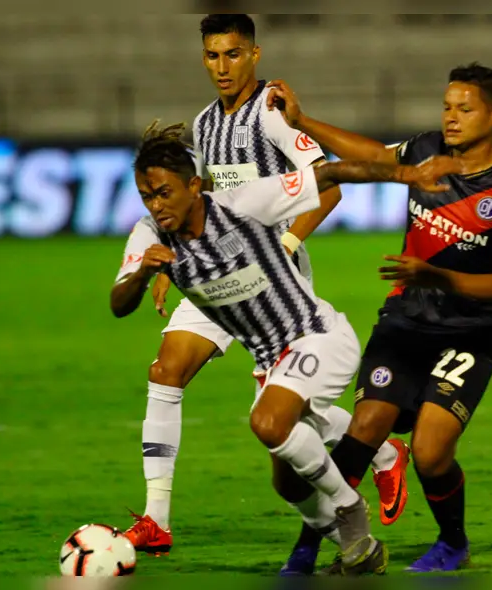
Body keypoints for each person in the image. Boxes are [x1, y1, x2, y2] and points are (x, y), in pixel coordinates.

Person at [116, 14, 409, 567]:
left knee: (279, 418)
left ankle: (382, 450)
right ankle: (157, 519)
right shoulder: (204, 125)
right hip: (212, 274)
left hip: (271, 280)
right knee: (166, 369)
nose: (221, 67)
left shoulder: (270, 115)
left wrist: (291, 244)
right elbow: (193, 202)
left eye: (232, 54)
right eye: (212, 56)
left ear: (254, 54)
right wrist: (163, 265)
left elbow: (327, 186)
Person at [113, 121, 462, 573]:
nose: (155, 206)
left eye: (163, 193)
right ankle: (359, 550)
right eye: (146, 196)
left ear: (194, 186)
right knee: (289, 485)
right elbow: (119, 303)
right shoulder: (149, 234)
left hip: (318, 335)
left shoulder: (244, 203)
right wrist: (142, 273)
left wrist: (404, 176)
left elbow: (329, 176)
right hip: (271, 362)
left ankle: (350, 510)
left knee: (268, 422)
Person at [265, 62, 492, 572]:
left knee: (432, 450)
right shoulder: (426, 150)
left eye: (466, 108)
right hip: (406, 321)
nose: (452, 118)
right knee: (364, 429)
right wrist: (303, 122)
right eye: (447, 106)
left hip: (471, 332)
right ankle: (307, 551)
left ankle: (452, 543)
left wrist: (440, 278)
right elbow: (371, 156)